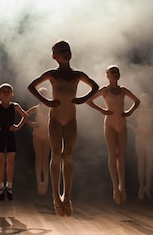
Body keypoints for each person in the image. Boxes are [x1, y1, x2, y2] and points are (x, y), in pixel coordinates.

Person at [28, 41, 99, 216]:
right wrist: (47, 102)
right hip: (56, 119)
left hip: (70, 119)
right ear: (54, 56)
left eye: (67, 50)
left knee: (68, 155)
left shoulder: (77, 75)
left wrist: (83, 99)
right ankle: (55, 197)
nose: (65, 53)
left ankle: (66, 197)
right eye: (61, 51)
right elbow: (32, 86)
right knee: (57, 155)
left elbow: (95, 87)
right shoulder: (52, 74)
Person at [87, 65, 140, 206]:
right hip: (110, 124)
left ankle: (123, 186)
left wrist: (129, 112)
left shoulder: (123, 90)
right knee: (113, 154)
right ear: (107, 75)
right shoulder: (104, 90)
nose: (116, 74)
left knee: (121, 155)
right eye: (112, 72)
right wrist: (102, 110)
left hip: (122, 124)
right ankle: (115, 188)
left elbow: (137, 101)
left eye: (117, 72)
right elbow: (89, 100)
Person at [0, 83, 29, 201]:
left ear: (12, 94)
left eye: (8, 91)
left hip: (10, 135)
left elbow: (25, 116)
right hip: (1, 135)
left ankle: (9, 186)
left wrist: (18, 127)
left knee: (11, 162)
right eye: (4, 91)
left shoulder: (15, 106)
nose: (6, 93)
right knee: (0, 162)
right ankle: (0, 187)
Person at [128, 93, 153, 200]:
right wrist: (134, 128)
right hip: (140, 138)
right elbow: (124, 119)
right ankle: (140, 188)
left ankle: (147, 188)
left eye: (147, 99)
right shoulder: (137, 112)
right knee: (141, 163)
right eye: (144, 99)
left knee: (150, 164)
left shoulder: (152, 111)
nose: (146, 101)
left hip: (149, 138)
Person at [26, 86, 51, 195]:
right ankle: (38, 181)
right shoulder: (36, 108)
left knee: (45, 158)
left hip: (48, 135)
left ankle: (45, 181)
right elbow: (25, 115)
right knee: (39, 158)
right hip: (37, 134)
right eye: (41, 95)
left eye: (45, 95)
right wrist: (32, 124)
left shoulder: (51, 108)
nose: (43, 97)